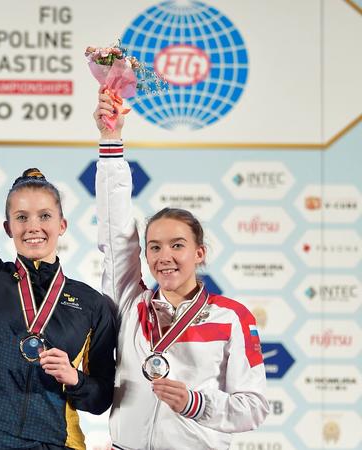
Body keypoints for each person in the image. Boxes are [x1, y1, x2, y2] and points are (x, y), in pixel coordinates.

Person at [0, 74, 117, 450]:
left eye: (45, 216)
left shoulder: (92, 304)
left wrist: (75, 380)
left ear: (62, 224)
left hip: (59, 443)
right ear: (7, 226)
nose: (34, 226)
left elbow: (101, 398)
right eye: (23, 217)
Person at [93, 90, 269, 449]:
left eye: (177, 246)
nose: (164, 257)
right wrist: (110, 140)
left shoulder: (231, 317)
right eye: (154, 247)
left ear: (199, 252)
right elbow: (115, 235)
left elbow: (253, 406)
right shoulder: (131, 304)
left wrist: (196, 403)